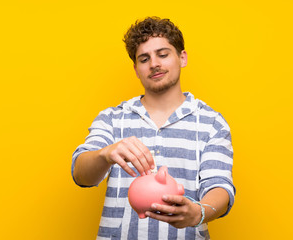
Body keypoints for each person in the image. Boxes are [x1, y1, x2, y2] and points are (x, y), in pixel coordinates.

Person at [72, 16, 235, 240]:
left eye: (163, 54)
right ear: (136, 69)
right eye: (144, 58)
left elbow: (220, 187)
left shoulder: (211, 123)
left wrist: (198, 212)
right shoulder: (112, 119)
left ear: (182, 57)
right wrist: (106, 153)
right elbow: (81, 175)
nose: (154, 64)